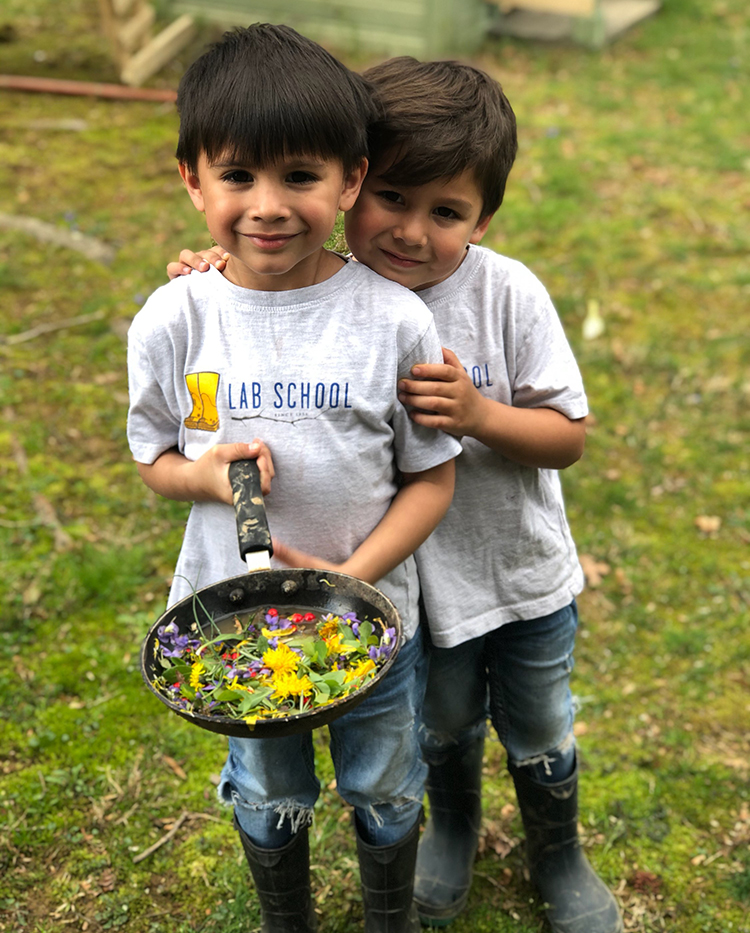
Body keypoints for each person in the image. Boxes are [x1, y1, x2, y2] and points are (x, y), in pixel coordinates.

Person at [167, 56, 623, 933]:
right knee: (443, 723)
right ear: (353, 184)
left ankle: (558, 853)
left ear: (482, 218)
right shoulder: (328, 286)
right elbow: (255, 294)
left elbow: (567, 436)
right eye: (395, 198)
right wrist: (209, 266)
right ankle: (451, 828)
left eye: (446, 212)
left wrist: (482, 413)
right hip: (412, 591)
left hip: (515, 570)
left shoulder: (506, 292)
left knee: (537, 722)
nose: (412, 231)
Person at [128, 26, 461, 933]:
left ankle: (388, 917)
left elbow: (432, 481)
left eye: (301, 178)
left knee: (385, 784)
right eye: (237, 177)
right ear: (192, 179)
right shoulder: (170, 319)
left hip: (370, 618)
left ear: (350, 180)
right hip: (229, 620)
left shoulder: (391, 319)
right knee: (269, 791)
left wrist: (352, 581)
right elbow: (154, 458)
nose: (268, 207)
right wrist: (202, 476)